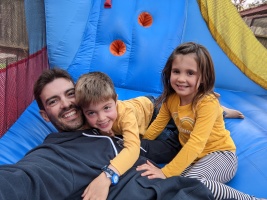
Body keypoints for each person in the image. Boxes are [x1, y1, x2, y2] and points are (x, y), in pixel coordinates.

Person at [0, 68, 215, 200]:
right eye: (53, 101)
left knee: (186, 108)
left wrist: (108, 175)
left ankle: (214, 108)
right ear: (45, 116)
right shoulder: (56, 150)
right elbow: (25, 178)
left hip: (149, 107)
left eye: (70, 94)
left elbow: (137, 145)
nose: (66, 104)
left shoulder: (110, 115)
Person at [137, 42, 263, 200]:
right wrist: (140, 143)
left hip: (221, 156)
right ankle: (223, 112)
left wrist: (165, 172)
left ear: (203, 77)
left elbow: (196, 143)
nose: (181, 78)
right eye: (176, 71)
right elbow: (157, 125)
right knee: (172, 187)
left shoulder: (206, 103)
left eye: (190, 73)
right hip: (195, 160)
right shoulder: (171, 99)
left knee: (190, 185)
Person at [75, 71, 179, 199]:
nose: (101, 118)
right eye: (91, 113)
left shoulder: (125, 115)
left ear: (116, 100)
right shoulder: (90, 120)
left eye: (107, 108)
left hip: (153, 111)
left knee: (175, 139)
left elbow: (133, 149)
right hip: (141, 109)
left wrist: (108, 174)